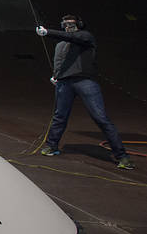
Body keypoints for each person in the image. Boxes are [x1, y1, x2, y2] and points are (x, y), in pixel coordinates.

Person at [35, 15, 134, 170]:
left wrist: (48, 32)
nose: (68, 26)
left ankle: (122, 156)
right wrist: (56, 76)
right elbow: (59, 61)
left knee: (100, 117)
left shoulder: (85, 37)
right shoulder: (61, 44)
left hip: (85, 82)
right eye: (65, 24)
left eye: (71, 24)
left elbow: (72, 37)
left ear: (79, 25)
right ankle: (51, 146)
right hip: (64, 83)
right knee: (59, 116)